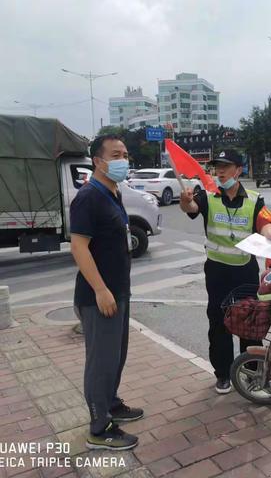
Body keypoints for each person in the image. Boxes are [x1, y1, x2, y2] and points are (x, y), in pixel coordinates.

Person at [179, 149, 271, 394]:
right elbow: (191, 207)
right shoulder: (208, 195)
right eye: (216, 167)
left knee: (250, 323)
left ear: (238, 170)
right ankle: (222, 374)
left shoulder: (255, 199)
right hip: (217, 272)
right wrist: (185, 201)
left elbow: (265, 222)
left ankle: (251, 374)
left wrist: (269, 234)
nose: (219, 172)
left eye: (225, 166)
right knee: (218, 323)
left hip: (244, 272)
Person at [70, 134, 142, 451]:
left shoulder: (113, 192)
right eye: (116, 154)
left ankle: (111, 404)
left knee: (116, 357)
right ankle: (99, 428)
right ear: (98, 161)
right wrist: (100, 289)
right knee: (100, 363)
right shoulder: (89, 197)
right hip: (99, 296)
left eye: (125, 153)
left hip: (118, 292)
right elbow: (79, 246)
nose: (123, 159)